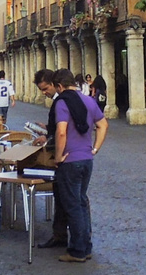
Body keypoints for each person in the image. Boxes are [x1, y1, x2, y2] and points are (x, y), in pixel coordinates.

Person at [52, 68, 107, 263]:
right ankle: (86, 246)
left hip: (70, 160)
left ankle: (77, 250)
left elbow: (61, 132)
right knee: (82, 202)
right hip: (86, 159)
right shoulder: (89, 101)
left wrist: (58, 157)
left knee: (73, 205)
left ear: (59, 86)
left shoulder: (62, 103)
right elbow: (103, 125)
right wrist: (95, 148)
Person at [34, 69, 70, 251]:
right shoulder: (59, 102)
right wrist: (47, 130)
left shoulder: (62, 102)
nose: (44, 93)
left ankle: (76, 240)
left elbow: (63, 130)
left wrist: (50, 142)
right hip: (60, 152)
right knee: (60, 194)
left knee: (70, 197)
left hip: (63, 155)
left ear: (55, 85)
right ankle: (60, 234)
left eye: (45, 88)